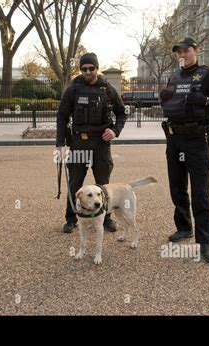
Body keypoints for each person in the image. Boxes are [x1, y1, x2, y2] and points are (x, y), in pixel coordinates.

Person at [160, 37, 209, 263]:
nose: (181, 55)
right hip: (174, 139)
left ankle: (205, 243)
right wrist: (162, 98)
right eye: (178, 52)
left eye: (186, 51)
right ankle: (184, 227)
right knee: (177, 187)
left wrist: (206, 101)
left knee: (200, 193)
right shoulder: (173, 77)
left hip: (196, 140)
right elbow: (171, 106)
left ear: (196, 51)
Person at [56, 53, 127, 233]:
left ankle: (105, 218)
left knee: (103, 183)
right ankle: (71, 218)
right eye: (84, 69)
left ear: (97, 68)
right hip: (79, 142)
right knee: (75, 182)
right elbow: (62, 116)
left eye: (91, 68)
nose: (87, 72)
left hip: (101, 144)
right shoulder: (73, 89)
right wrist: (60, 144)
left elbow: (121, 113)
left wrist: (115, 131)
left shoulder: (108, 89)